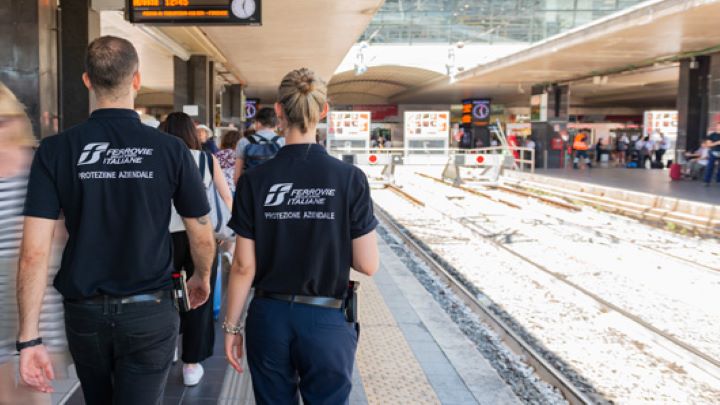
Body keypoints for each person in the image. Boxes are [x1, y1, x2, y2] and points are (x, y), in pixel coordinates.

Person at [16, 36, 216, 405]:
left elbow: (33, 252)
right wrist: (201, 276)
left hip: (84, 314)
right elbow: (200, 230)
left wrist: (29, 338)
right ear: (136, 80)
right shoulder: (170, 149)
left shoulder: (56, 150)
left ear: (87, 81)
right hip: (150, 311)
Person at [223, 68, 380, 405]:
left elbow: (242, 267)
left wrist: (232, 328)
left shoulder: (255, 180)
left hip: (270, 317)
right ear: (323, 111)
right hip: (327, 318)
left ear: (279, 110)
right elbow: (367, 264)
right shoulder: (350, 178)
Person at [162, 112, 232, 386]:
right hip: (200, 237)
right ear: (193, 133)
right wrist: (235, 234)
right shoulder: (206, 159)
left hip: (163, 239)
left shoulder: (159, 156)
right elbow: (226, 197)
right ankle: (191, 364)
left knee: (169, 292)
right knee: (198, 295)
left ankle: (169, 348)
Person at [233, 107, 284, 183]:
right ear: (276, 124)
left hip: (251, 187)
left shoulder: (244, 142)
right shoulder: (283, 141)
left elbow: (237, 177)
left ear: (258, 123)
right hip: (275, 187)